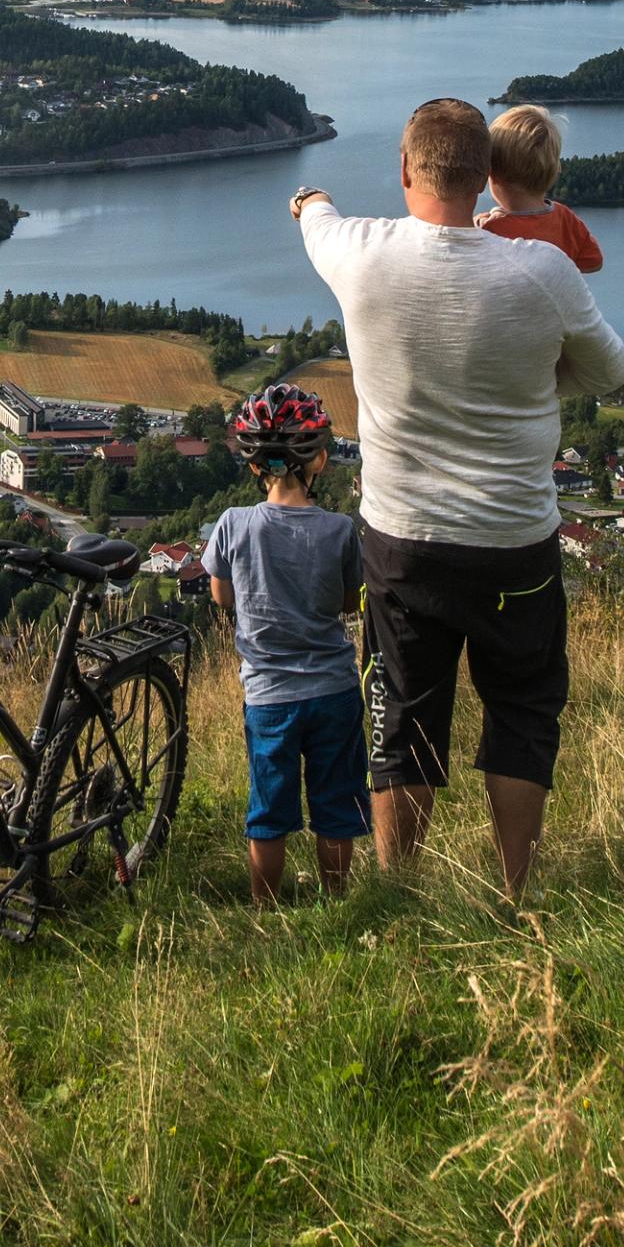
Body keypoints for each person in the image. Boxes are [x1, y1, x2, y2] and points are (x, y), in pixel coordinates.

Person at [290, 98, 624, 898]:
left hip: (404, 538)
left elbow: (317, 217)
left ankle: (396, 890)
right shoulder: (542, 272)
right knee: (520, 710)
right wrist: (541, 376)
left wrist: (305, 197)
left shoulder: (364, 255)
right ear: (485, 179)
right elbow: (610, 373)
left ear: (406, 170)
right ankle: (515, 892)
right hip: (515, 540)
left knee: (404, 714)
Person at [204, 383, 368, 908]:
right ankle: (336, 902)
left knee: (269, 811)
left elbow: (222, 596)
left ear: (256, 466)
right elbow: (349, 601)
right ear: (319, 459)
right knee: (336, 806)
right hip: (334, 692)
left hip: (268, 695)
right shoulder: (340, 530)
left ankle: (263, 910)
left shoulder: (234, 525)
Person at [477, 104, 602, 272]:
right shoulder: (565, 218)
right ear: (553, 169)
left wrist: (474, 225)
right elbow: (594, 263)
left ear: (492, 173)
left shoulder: (489, 230)